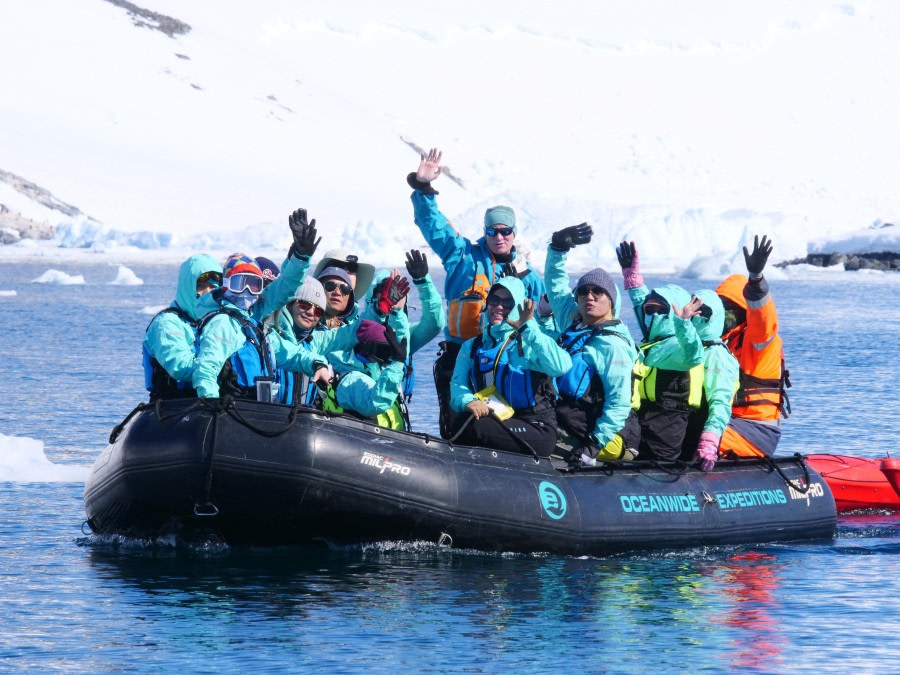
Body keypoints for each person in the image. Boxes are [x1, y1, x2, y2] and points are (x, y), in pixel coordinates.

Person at [408, 148, 546, 438]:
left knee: (500, 425)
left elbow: (546, 312)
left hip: (505, 358)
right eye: (492, 231)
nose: (498, 237)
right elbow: (434, 226)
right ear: (484, 232)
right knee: (457, 425)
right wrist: (423, 189)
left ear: (514, 233)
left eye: (505, 231)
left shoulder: (528, 275)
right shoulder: (462, 256)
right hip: (459, 353)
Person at [545, 223, 639, 466]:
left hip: (603, 434)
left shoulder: (614, 345)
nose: (590, 296)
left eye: (598, 292)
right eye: (584, 291)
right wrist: (557, 249)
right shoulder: (574, 320)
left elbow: (619, 403)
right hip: (567, 418)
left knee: (537, 439)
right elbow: (555, 287)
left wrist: (593, 446)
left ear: (611, 301)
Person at [449, 276, 572, 458]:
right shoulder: (472, 346)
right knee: (460, 419)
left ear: (516, 307)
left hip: (535, 425)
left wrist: (529, 328)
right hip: (498, 419)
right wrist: (469, 401)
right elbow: (458, 384)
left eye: (507, 303)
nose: (499, 307)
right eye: (494, 300)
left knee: (476, 427)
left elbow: (561, 366)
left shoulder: (529, 343)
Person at [192, 254, 330, 400]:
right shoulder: (223, 323)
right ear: (226, 285)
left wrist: (317, 364)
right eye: (239, 283)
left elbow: (289, 353)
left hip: (256, 409)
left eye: (254, 285)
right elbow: (207, 365)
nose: (247, 290)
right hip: (232, 409)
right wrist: (209, 398)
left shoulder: (254, 327)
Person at [617, 241, 706, 461]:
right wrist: (632, 276)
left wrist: (684, 324)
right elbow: (642, 305)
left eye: (661, 311)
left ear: (673, 314)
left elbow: (694, 355)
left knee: (659, 462)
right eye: (650, 310)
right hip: (642, 417)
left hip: (668, 423)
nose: (653, 315)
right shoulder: (652, 339)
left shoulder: (678, 346)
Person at [716, 235, 790, 458]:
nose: (724, 313)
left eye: (730, 307)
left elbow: (763, 316)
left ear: (744, 310)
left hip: (756, 430)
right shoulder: (723, 342)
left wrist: (756, 279)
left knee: (693, 431)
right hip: (730, 422)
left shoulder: (758, 340)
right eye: (721, 306)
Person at [358, 250, 445, 404]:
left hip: (395, 411)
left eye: (396, 289)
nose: (391, 294)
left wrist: (423, 282)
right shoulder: (357, 329)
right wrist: (381, 309)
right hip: (363, 404)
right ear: (372, 296)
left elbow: (434, 323)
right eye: (383, 290)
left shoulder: (407, 335)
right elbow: (368, 321)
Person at [142, 253, 222, 401]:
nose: (208, 293)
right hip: (173, 407)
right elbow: (180, 366)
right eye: (201, 286)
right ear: (188, 287)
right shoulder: (166, 324)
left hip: (209, 401)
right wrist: (223, 370)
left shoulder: (217, 323)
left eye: (213, 287)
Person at [323, 301, 412, 430]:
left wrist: (397, 312)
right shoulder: (351, 379)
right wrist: (397, 363)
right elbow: (376, 403)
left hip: (387, 444)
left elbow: (402, 344)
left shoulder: (378, 374)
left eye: (388, 351)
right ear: (363, 348)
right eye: (379, 351)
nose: (384, 357)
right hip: (358, 445)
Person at [682, 289, 740, 471]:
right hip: (680, 430)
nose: (697, 316)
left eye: (703, 311)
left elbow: (720, 401)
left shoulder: (716, 355)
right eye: (695, 309)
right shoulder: (687, 348)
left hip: (699, 436)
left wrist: (709, 441)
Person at [313, 249, 376, 329]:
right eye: (337, 265)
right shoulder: (305, 316)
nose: (344, 272)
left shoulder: (358, 321)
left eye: (352, 267)